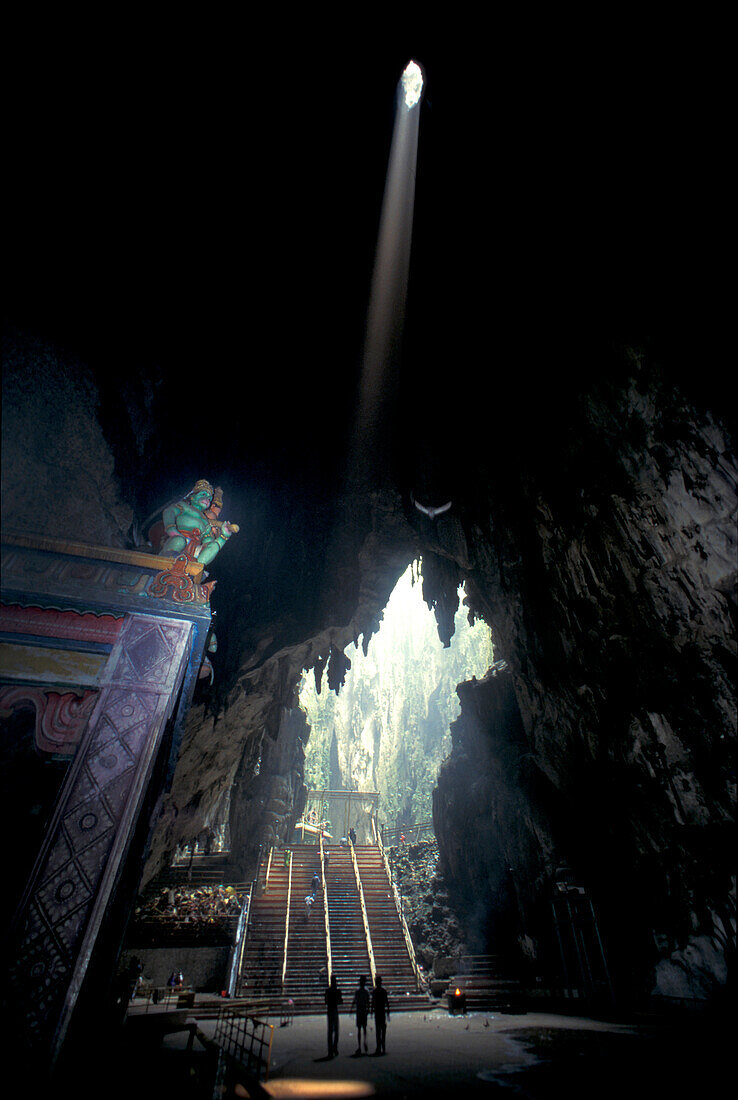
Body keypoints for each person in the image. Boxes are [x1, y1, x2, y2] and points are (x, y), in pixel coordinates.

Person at [350, 975, 371, 1054]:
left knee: (359, 1029)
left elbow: (355, 1001)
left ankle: (359, 1046)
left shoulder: (358, 991)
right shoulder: (366, 991)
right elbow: (368, 1001)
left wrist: (351, 1009)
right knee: (364, 1028)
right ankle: (365, 1042)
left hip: (359, 1010)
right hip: (363, 1009)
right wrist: (368, 1010)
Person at [325, 974, 343, 1057]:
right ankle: (335, 1047)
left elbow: (326, 1001)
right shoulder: (337, 991)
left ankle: (330, 1049)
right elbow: (340, 1002)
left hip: (330, 1010)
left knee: (330, 1031)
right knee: (336, 1030)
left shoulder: (328, 991)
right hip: (334, 1010)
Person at [371, 975, 390, 1054]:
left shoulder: (375, 991)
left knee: (378, 1030)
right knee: (382, 1029)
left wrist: (371, 1010)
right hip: (381, 1012)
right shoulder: (383, 991)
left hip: (378, 1012)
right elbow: (386, 1001)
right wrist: (388, 1011)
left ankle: (379, 1046)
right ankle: (383, 1046)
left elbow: (373, 1002)